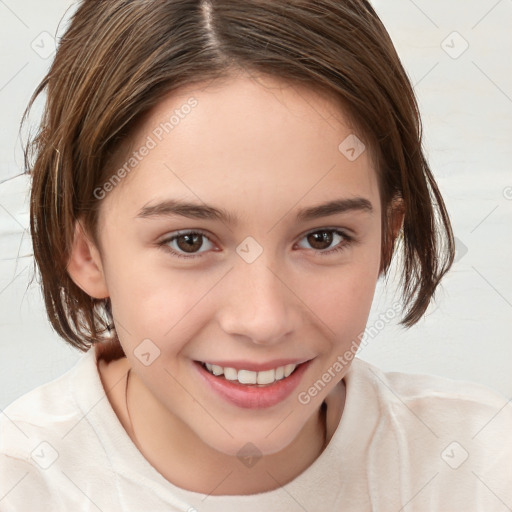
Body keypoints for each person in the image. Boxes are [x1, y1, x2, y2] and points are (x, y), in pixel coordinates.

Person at [1, 0, 510, 510]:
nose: (263, 320)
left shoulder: (481, 468)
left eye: (322, 238)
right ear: (85, 250)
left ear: (386, 237)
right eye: (190, 241)